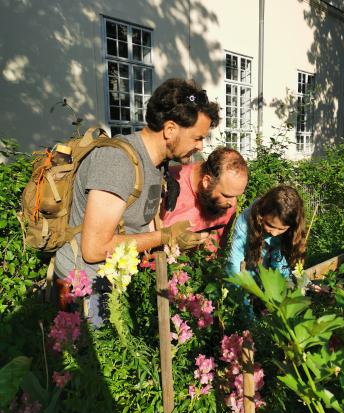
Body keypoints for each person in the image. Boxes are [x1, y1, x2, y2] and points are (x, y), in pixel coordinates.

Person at [54, 78, 220, 325]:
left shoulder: (156, 165)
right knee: (88, 360)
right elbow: (94, 249)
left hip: (111, 281)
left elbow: (137, 225)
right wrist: (165, 237)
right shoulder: (117, 162)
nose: (200, 146)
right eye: (197, 137)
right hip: (83, 287)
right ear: (170, 129)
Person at [160, 146, 248, 252]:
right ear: (207, 181)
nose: (233, 203)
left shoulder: (227, 201)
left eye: (237, 196)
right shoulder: (167, 186)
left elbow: (220, 248)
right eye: (227, 195)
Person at [227, 185, 306, 279]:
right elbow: (234, 261)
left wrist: (304, 281)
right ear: (261, 215)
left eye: (282, 229)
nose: (274, 233)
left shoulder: (292, 230)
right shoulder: (245, 222)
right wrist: (237, 288)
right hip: (248, 271)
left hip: (270, 275)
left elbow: (281, 262)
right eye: (270, 226)